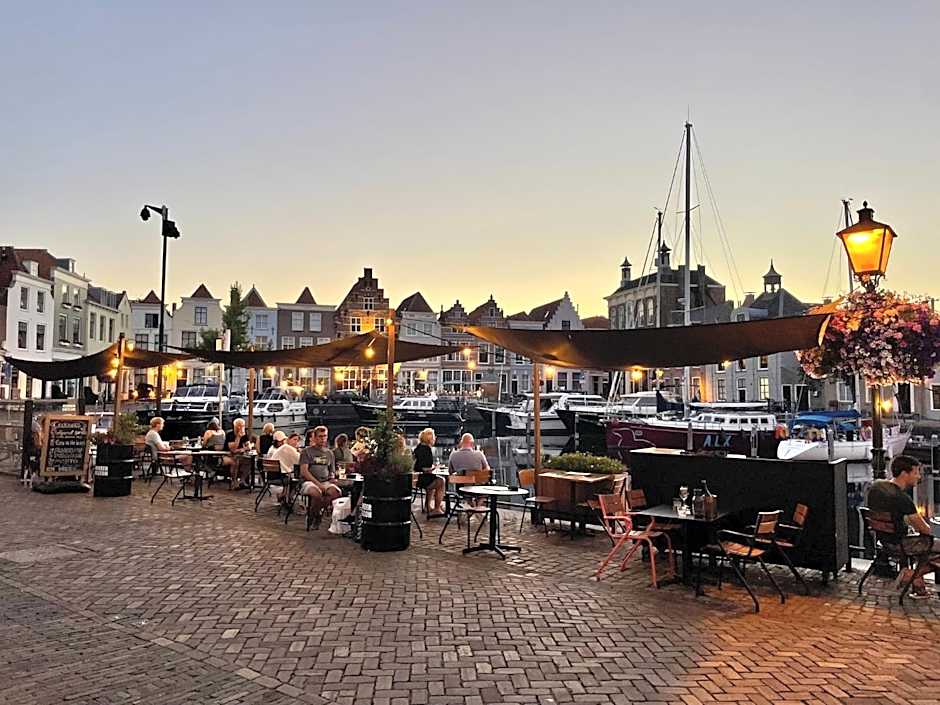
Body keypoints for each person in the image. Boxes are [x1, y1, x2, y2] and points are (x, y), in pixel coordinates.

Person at [866, 454, 940, 599]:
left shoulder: (876, 487)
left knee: (927, 548)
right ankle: (911, 575)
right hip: (901, 544)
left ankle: (919, 588)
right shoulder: (902, 498)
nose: (919, 476)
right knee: (931, 546)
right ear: (904, 474)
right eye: (916, 472)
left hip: (883, 541)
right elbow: (925, 529)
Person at [299, 425, 341, 529]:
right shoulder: (306, 452)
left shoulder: (329, 453)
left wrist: (332, 478)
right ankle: (315, 515)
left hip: (325, 481)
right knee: (316, 493)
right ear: (314, 437)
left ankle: (317, 512)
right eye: (320, 436)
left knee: (336, 492)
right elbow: (304, 471)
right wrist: (318, 484)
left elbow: (332, 471)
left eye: (325, 436)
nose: (323, 439)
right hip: (309, 481)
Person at [414, 428, 444, 516]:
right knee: (441, 481)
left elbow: (419, 465)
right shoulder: (427, 450)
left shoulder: (418, 448)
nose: (435, 439)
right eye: (434, 437)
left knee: (433, 479)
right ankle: (437, 508)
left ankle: (427, 506)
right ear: (430, 439)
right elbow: (425, 468)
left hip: (417, 477)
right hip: (422, 479)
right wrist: (434, 467)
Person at [271, 432, 301, 506]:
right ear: (288, 440)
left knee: (292, 477)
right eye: (294, 439)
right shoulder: (287, 448)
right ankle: (288, 497)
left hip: (272, 474)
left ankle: (284, 495)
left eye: (297, 440)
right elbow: (299, 460)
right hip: (279, 476)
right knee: (298, 479)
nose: (296, 442)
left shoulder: (284, 447)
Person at [223, 418, 252, 489]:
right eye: (239, 426)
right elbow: (233, 449)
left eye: (243, 426)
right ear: (235, 426)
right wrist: (238, 437)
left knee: (249, 461)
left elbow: (249, 446)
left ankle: (242, 480)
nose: (241, 427)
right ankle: (234, 481)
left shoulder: (244, 435)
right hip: (227, 455)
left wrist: (243, 449)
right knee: (235, 462)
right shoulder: (230, 435)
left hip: (239, 455)